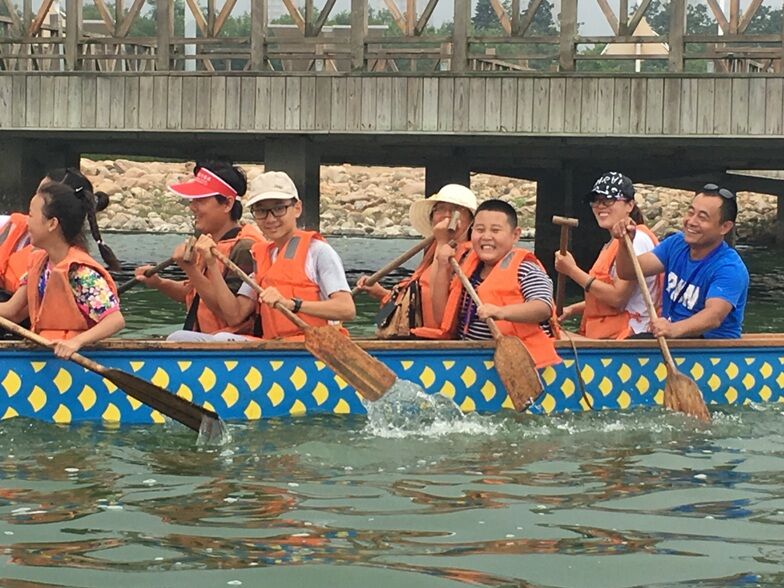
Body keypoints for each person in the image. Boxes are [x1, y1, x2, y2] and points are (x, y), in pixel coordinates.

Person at [200, 171, 355, 340]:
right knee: (185, 337)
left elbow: (346, 309)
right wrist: (212, 264)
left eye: (279, 209)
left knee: (221, 339)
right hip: (276, 346)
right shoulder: (262, 258)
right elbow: (235, 315)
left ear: (297, 208)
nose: (270, 219)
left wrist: (292, 304)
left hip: (316, 345)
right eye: (261, 211)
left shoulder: (318, 252)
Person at [133, 161, 265, 342]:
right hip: (206, 337)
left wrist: (190, 269)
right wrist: (160, 283)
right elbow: (193, 292)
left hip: (231, 343)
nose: (192, 207)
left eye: (200, 200)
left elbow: (231, 314)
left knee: (177, 337)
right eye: (192, 200)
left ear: (227, 204)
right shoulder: (209, 243)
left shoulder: (245, 248)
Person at [0, 179, 125, 358]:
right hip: (46, 354)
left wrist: (76, 342)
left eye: (32, 216)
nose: (27, 223)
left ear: (52, 224)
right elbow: (11, 311)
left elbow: (115, 320)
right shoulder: (39, 264)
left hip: (72, 360)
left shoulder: (80, 273)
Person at [430, 199, 560, 368]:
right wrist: (442, 266)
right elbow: (440, 318)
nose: (486, 237)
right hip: (469, 361)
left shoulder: (525, 269)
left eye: (495, 230)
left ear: (515, 235)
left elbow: (543, 307)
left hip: (519, 362)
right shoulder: (466, 268)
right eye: (479, 229)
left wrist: (501, 312)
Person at [611, 183, 749, 339]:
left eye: (702, 217)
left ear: (725, 227)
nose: (691, 221)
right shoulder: (677, 243)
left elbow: (714, 316)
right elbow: (628, 271)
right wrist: (624, 243)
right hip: (674, 338)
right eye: (691, 212)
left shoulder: (730, 268)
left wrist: (673, 329)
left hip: (709, 345)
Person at [354, 184, 477, 339]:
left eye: (456, 210)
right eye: (440, 209)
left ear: (471, 221)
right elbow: (415, 298)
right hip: (411, 337)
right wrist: (381, 293)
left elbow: (438, 298)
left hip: (438, 344)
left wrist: (442, 241)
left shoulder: (470, 256)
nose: (447, 216)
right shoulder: (431, 251)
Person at [555, 172, 661, 339]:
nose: (600, 206)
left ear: (630, 205)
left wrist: (572, 270)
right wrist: (572, 309)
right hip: (610, 332)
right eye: (596, 201)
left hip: (631, 335)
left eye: (608, 200)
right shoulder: (612, 243)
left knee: (546, 339)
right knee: (548, 332)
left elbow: (618, 298)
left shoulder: (635, 240)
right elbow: (606, 299)